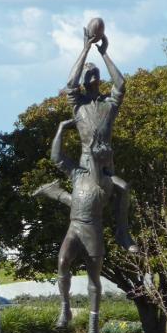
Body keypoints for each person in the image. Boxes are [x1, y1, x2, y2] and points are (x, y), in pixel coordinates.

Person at [33, 119, 110, 333]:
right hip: (74, 227)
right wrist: (60, 128)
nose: (87, 157)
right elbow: (56, 157)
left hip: (93, 230)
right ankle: (65, 308)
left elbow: (102, 197)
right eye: (86, 154)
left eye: (91, 155)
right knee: (63, 261)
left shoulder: (107, 181)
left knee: (93, 279)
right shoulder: (77, 174)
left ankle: (93, 325)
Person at [64, 26, 137, 253]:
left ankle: (122, 233)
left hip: (107, 164)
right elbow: (70, 84)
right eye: (88, 75)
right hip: (87, 166)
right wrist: (85, 49)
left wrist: (104, 53)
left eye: (95, 74)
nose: (93, 77)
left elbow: (121, 84)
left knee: (123, 188)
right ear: (84, 82)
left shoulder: (108, 105)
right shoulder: (78, 106)